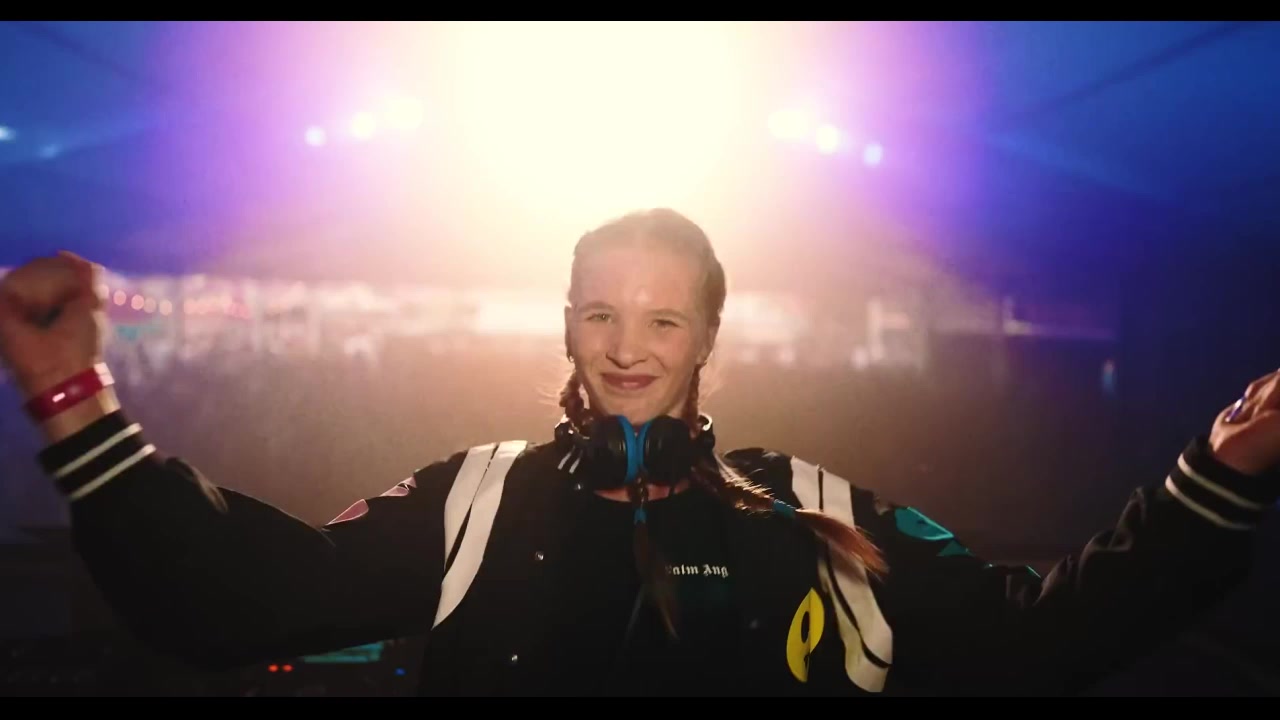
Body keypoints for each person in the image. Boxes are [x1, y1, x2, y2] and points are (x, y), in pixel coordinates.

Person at [0, 209, 1277, 697]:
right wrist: (72, 398)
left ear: (707, 335)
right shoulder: (475, 497)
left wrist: (1216, 472)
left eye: (663, 319)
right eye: (600, 314)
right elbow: (233, 600)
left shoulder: (811, 511)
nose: (625, 348)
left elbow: (1035, 640)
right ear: (565, 323)